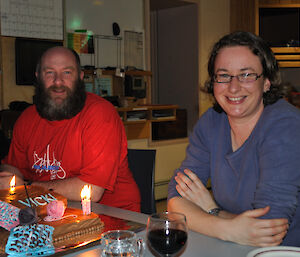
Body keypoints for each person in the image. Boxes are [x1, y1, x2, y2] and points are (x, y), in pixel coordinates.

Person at [168, 31, 300, 247]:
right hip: (233, 246)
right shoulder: (211, 122)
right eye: (224, 75)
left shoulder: (285, 125)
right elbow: (176, 198)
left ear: (266, 82)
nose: (233, 87)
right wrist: (228, 228)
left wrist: (213, 212)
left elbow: (268, 229)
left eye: (246, 75)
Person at [0, 46, 140, 212]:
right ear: (38, 78)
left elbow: (92, 191)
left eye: (67, 72)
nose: (58, 81)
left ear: (80, 77)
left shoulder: (100, 114)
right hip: (47, 212)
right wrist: (8, 179)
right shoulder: (27, 118)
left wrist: (27, 188)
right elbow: (14, 165)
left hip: (109, 219)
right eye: (49, 72)